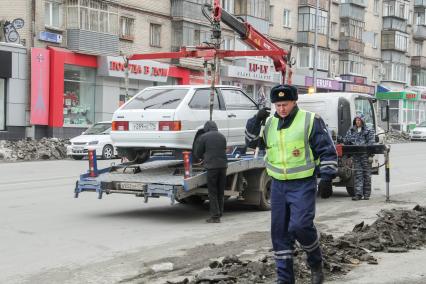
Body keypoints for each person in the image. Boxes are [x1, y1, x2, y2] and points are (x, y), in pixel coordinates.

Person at [245, 84, 338, 284]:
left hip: (302, 184)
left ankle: (315, 263)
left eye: (285, 104)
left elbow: (326, 150)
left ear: (294, 102)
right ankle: (285, 279)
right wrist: (255, 120)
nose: (281, 109)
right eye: (278, 105)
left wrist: (327, 177)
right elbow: (251, 143)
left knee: (300, 226)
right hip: (277, 185)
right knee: (279, 233)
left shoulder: (310, 120)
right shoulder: (269, 123)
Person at [194, 120, 228, 223]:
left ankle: (215, 217)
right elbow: (224, 149)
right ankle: (220, 212)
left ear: (206, 128)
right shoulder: (222, 136)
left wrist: (202, 157)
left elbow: (198, 153)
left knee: (212, 192)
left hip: (212, 167)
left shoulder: (203, 137)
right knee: (220, 191)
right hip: (223, 166)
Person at [343, 113, 375, 201]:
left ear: (362, 121)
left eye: (359, 120)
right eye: (356, 120)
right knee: (358, 175)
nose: (357, 122)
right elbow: (347, 141)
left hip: (365, 156)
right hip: (356, 156)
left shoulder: (368, 130)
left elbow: (371, 143)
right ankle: (358, 194)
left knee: (367, 175)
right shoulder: (352, 130)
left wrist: (370, 155)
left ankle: (366, 194)